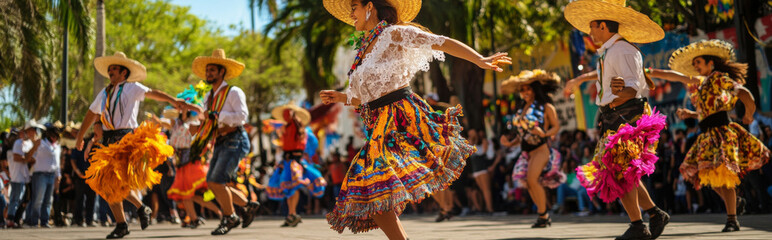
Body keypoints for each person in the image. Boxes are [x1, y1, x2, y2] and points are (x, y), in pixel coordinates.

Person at [319, 0, 511, 238]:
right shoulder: (365, 47)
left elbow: (441, 42)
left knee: (374, 190)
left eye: (354, 6)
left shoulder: (394, 33)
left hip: (401, 118)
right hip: (378, 124)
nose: (351, 13)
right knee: (373, 195)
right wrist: (341, 97)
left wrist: (479, 59)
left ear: (370, 6)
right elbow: (368, 99)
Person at [563, 1, 670, 239]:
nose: (590, 33)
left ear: (603, 26)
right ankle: (653, 214)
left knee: (621, 173)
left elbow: (631, 89)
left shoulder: (622, 50)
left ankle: (638, 225)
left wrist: (619, 92)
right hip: (615, 116)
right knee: (622, 172)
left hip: (627, 115)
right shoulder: (611, 51)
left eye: (592, 27)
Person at [648, 39, 771, 232]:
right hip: (706, 135)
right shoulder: (701, 83)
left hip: (722, 133)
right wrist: (651, 73)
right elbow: (677, 77)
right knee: (707, 176)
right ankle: (736, 202)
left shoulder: (719, 78)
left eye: (698, 62)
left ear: (710, 63)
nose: (695, 66)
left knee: (724, 175)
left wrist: (748, 113)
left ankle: (732, 220)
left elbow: (743, 92)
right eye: (695, 63)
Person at [74, 52, 198, 239]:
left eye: (114, 69)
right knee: (107, 186)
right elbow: (92, 113)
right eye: (109, 69)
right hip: (108, 141)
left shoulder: (132, 87)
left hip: (125, 139)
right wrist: (81, 137)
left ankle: (131, 216)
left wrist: (173, 101)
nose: (110, 72)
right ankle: (128, 219)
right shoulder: (105, 92)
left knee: (115, 183)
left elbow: (153, 93)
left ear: (124, 72)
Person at [189, 49, 261, 235]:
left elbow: (242, 117)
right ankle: (247, 206)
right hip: (221, 141)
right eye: (207, 70)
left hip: (235, 139)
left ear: (222, 71)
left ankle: (230, 217)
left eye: (212, 70)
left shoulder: (234, 92)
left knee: (216, 182)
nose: (208, 73)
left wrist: (216, 114)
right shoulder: (208, 97)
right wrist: (197, 129)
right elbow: (209, 123)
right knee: (214, 183)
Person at [503, 70, 565, 227]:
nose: (524, 93)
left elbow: (556, 127)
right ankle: (543, 216)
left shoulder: (546, 107)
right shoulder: (521, 109)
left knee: (532, 179)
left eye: (528, 89)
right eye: (522, 90)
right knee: (529, 183)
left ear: (535, 89)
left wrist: (544, 133)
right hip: (526, 152)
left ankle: (543, 215)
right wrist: (510, 143)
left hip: (541, 150)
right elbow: (522, 134)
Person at [267, 104, 327, 227]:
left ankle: (292, 214)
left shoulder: (299, 128)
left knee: (292, 185)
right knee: (289, 186)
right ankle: (291, 214)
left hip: (295, 161)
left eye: (287, 113)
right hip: (287, 161)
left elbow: (310, 144)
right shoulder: (288, 127)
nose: (285, 115)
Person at [7, 120, 45, 228]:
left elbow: (29, 158)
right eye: (29, 130)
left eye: (34, 130)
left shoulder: (28, 143)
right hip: (17, 176)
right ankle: (10, 219)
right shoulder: (18, 143)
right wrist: (29, 157)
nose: (32, 132)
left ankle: (15, 219)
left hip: (25, 176)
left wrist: (30, 156)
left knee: (24, 199)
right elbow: (19, 157)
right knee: (16, 198)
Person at [26, 124, 63, 228]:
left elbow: (57, 162)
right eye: (53, 135)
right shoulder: (40, 143)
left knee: (48, 200)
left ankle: (44, 221)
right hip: (40, 174)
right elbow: (28, 156)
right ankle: (33, 221)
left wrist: (58, 175)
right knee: (38, 199)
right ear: (48, 134)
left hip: (51, 175)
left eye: (56, 136)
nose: (55, 137)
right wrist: (34, 146)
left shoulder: (57, 146)